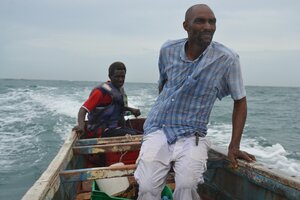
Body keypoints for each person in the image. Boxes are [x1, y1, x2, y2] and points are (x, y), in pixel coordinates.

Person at [134, 4, 256, 200]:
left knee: (187, 185)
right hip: (159, 128)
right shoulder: (168, 50)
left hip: (193, 133)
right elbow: (164, 84)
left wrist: (234, 146)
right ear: (186, 26)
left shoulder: (227, 59)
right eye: (200, 21)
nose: (208, 26)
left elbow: (240, 101)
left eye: (212, 21)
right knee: (147, 187)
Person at [73, 61, 141, 138]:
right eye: (117, 77)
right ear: (110, 76)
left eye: (123, 77)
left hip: (115, 127)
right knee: (135, 136)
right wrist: (81, 126)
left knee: (142, 133)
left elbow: (117, 107)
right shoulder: (101, 91)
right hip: (101, 131)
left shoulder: (119, 90)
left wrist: (131, 110)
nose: (120, 80)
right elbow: (83, 109)